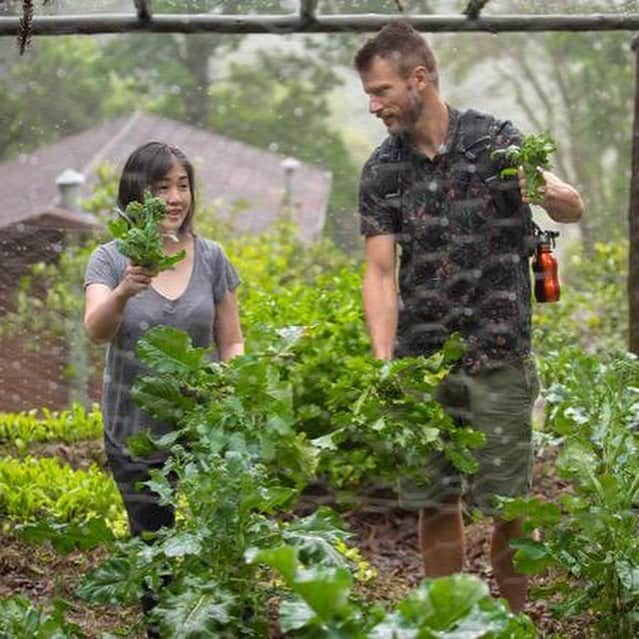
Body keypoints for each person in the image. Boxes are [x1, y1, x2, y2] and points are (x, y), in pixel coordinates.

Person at [354, 21, 584, 612]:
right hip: (424, 360)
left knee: (511, 504)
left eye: (381, 91)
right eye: (369, 95)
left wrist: (541, 188)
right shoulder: (383, 170)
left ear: (419, 79)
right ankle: (449, 619)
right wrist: (387, 364)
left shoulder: (495, 141)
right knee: (436, 499)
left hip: (499, 351)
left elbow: (572, 206)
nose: (374, 105)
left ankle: (512, 620)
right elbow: (380, 272)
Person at [83, 141, 244, 633]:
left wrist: (233, 381)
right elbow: (96, 329)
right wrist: (125, 291)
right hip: (135, 432)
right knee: (156, 547)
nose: (175, 198)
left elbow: (232, 341)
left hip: (202, 431)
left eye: (182, 185)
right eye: (161, 188)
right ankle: (164, 628)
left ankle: (214, 622)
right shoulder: (111, 259)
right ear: (137, 195)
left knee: (215, 541)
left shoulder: (213, 259)